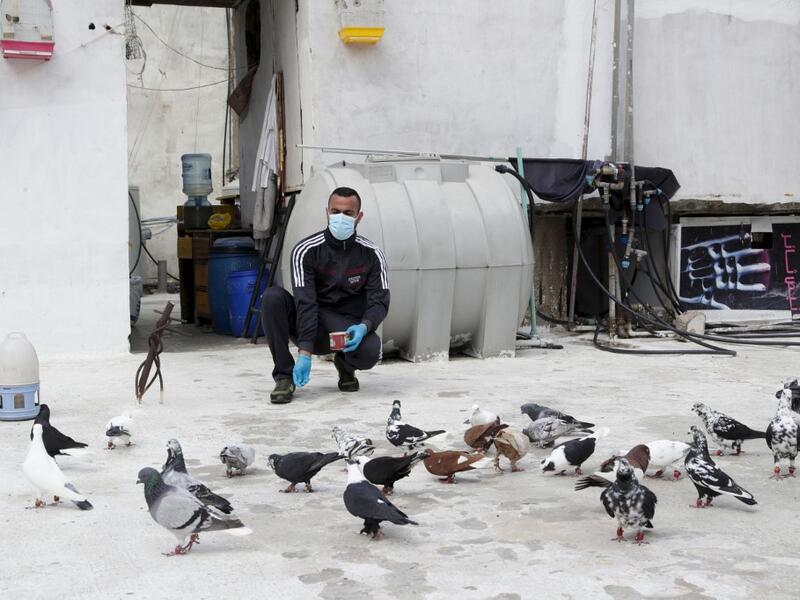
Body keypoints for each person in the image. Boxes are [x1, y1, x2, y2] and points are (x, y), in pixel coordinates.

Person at [261, 186, 390, 404]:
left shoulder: (371, 254)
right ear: (327, 212)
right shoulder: (306, 251)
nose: (340, 217)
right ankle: (284, 376)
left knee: (370, 350)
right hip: (313, 323)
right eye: (335, 211)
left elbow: (380, 302)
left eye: (348, 213)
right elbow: (306, 303)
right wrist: (305, 353)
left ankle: (346, 365)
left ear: (359, 217)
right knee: (272, 298)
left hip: (347, 330)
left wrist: (364, 326)